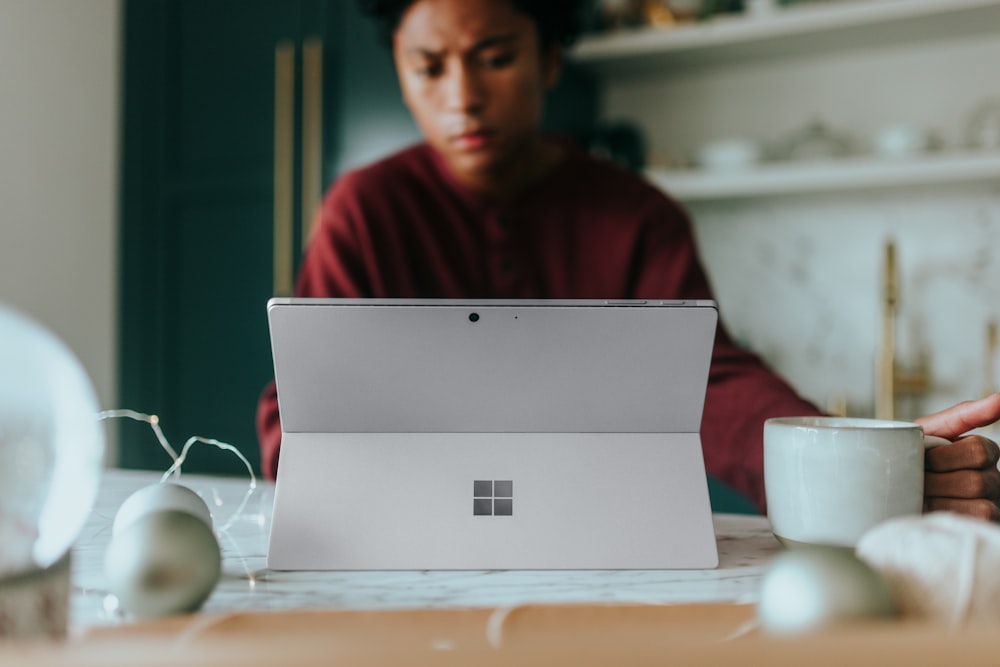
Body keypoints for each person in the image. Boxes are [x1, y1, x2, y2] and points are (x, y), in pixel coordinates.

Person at [256, 0, 1000, 519]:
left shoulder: (636, 215)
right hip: (403, 541)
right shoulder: (365, 210)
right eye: (429, 67)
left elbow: (709, 381)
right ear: (398, 69)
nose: (463, 97)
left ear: (549, 60)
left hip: (599, 536)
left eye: (495, 58)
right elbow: (301, 414)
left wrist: (846, 465)